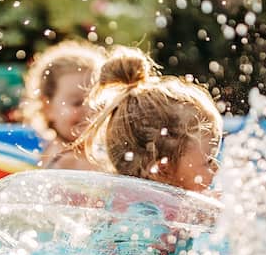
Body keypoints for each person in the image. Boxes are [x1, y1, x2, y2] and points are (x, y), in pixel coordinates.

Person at [75, 47, 223, 193]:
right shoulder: (159, 213)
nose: (217, 167)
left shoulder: (116, 200)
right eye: (208, 161)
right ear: (162, 170)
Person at [20, 40, 107, 170]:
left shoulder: (104, 154)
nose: (90, 110)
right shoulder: (61, 162)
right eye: (77, 103)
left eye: (98, 100)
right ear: (47, 107)